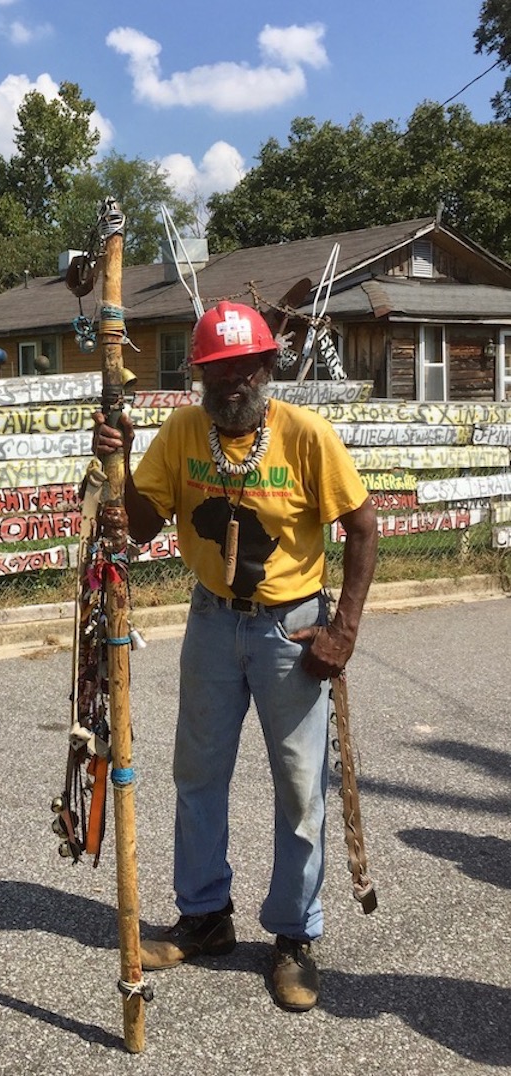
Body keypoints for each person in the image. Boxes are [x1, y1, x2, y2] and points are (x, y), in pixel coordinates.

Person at [93, 300, 378, 1012]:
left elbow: (364, 527)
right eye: (212, 373)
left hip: (293, 630)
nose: (226, 386)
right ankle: (204, 918)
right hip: (213, 624)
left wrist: (342, 628)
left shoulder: (307, 436)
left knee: (300, 787)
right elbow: (143, 524)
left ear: (267, 368)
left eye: (240, 371)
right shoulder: (187, 431)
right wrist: (119, 462)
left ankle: (293, 936)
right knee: (197, 772)